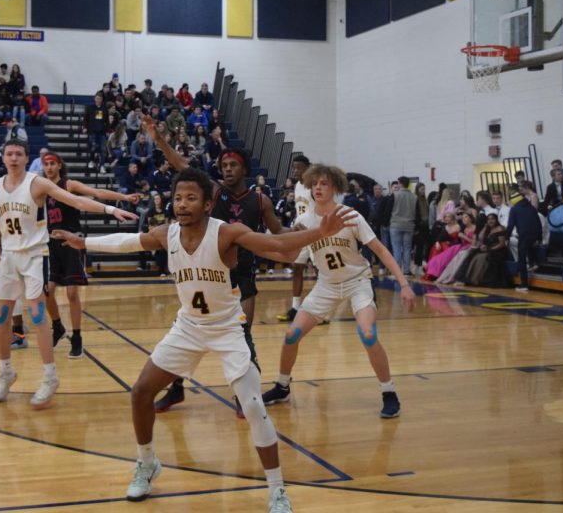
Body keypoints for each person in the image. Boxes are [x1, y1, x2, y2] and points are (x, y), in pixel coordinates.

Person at [51, 167, 356, 511]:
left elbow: (279, 246)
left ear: (208, 204)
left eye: (191, 198)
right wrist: (83, 242)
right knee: (140, 392)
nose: (182, 204)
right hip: (188, 327)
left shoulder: (227, 233)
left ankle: (277, 490)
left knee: (254, 407)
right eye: (178, 197)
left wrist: (317, 233)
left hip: (227, 328)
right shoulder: (167, 234)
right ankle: (147, 463)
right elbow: (127, 241)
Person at [0, 139, 138, 409]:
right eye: (9, 154)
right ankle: (6, 371)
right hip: (8, 257)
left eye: (19, 153)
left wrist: (111, 209)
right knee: (2, 315)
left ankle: (50, 377)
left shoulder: (37, 183)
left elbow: (75, 200)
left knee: (37, 314)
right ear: (3, 158)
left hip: (34, 255)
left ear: (25, 157)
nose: (14, 158)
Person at [145, 117, 290, 415]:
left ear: (245, 169)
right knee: (188, 333)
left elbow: (279, 234)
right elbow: (181, 166)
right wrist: (159, 139)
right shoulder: (213, 191)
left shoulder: (260, 200)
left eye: (232, 165)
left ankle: (245, 396)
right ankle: (175, 390)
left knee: (243, 334)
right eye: (223, 165)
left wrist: (311, 231)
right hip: (209, 274)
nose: (226, 169)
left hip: (243, 276)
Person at [262, 164, 415, 420]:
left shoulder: (349, 215)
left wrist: (405, 284)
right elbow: (288, 255)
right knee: (291, 334)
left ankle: (389, 392)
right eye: (315, 184)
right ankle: (282, 386)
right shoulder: (304, 221)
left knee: (367, 334)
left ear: (335, 188)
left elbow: (380, 249)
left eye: (324, 184)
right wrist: (251, 248)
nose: (318, 188)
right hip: (326, 285)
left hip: (357, 281)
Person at [40, 151, 138, 358]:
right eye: (45, 164)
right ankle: (57, 326)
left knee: (72, 293)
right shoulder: (42, 188)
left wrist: (124, 197)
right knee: (46, 292)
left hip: (72, 242)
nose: (49, 167)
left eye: (52, 163)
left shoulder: (68, 184)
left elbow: (97, 193)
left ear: (59, 166)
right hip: (50, 244)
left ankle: (77, 338)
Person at [278, 155, 312, 323]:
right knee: (297, 268)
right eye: (294, 168)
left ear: (307, 168)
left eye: (299, 168)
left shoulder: (315, 185)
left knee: (323, 272)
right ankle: (295, 308)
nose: (295, 171)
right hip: (301, 233)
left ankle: (322, 310)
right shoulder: (298, 186)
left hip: (315, 233)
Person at [389, 176, 417, 275]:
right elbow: (417, 213)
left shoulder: (394, 195)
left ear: (400, 183)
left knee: (396, 248)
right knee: (407, 249)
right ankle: (406, 270)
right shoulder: (414, 196)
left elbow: (389, 210)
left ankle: (397, 271)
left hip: (396, 224)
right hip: (409, 225)